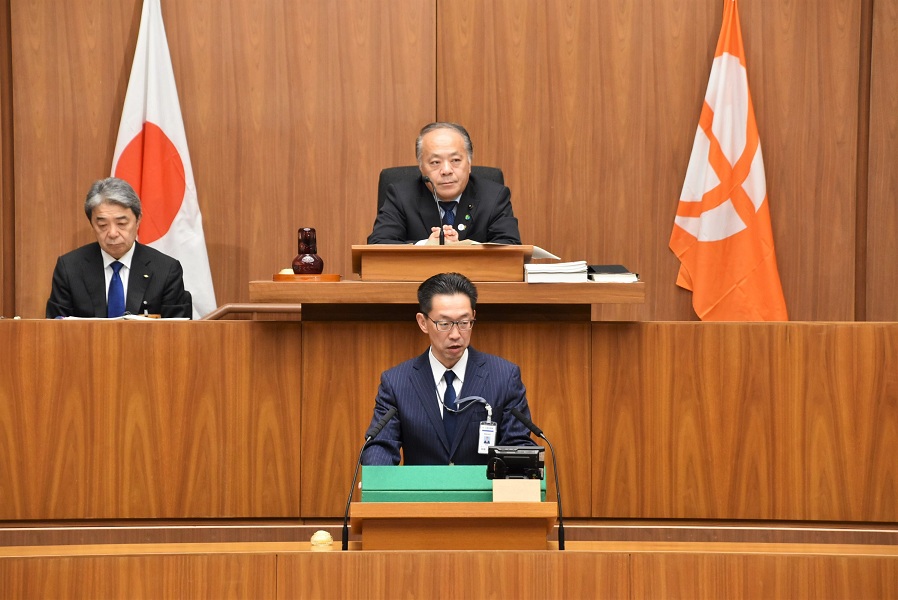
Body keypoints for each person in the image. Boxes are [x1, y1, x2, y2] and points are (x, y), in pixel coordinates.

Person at [362, 272, 536, 465]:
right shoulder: (396, 382)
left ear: (473, 317)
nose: (455, 334)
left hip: (483, 485)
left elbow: (517, 443)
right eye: (444, 324)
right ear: (423, 322)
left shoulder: (504, 377)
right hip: (423, 486)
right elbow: (380, 445)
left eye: (464, 323)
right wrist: (377, 473)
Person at [46, 177, 193, 319]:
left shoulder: (165, 270)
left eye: (121, 224)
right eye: (102, 225)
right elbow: (55, 329)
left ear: (138, 220)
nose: (112, 233)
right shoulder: (69, 268)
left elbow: (177, 331)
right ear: (92, 224)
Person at [367, 122, 521, 245]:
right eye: (435, 162)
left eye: (455, 160)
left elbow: (510, 246)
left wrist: (465, 247)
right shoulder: (400, 196)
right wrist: (425, 246)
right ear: (421, 167)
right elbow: (378, 244)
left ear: (469, 163)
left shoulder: (494, 196)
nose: (446, 170)